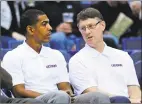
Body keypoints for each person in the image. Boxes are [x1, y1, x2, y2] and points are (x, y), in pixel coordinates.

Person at [1, 9, 111, 104]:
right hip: (36, 100)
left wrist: (67, 93)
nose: (50, 28)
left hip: (62, 98)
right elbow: (18, 91)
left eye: (49, 23)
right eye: (44, 24)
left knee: (99, 97)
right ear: (30, 29)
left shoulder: (56, 54)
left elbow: (64, 87)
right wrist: (54, 95)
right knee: (59, 96)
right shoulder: (13, 56)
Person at [69, 7, 142, 103]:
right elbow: (93, 94)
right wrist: (127, 101)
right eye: (83, 28)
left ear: (102, 25)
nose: (87, 32)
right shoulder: (77, 60)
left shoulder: (123, 56)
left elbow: (134, 88)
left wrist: (135, 100)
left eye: (91, 26)